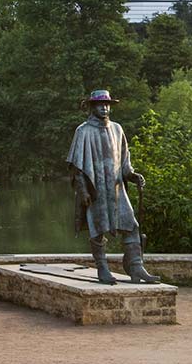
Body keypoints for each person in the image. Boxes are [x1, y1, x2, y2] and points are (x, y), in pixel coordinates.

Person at [66, 89, 160, 284]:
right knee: (97, 228)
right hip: (96, 190)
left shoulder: (117, 129)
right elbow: (76, 167)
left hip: (117, 190)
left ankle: (136, 267)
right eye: (100, 105)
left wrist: (133, 176)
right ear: (92, 107)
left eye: (107, 105)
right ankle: (102, 268)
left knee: (131, 226)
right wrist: (82, 190)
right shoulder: (83, 131)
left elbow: (125, 162)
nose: (105, 108)